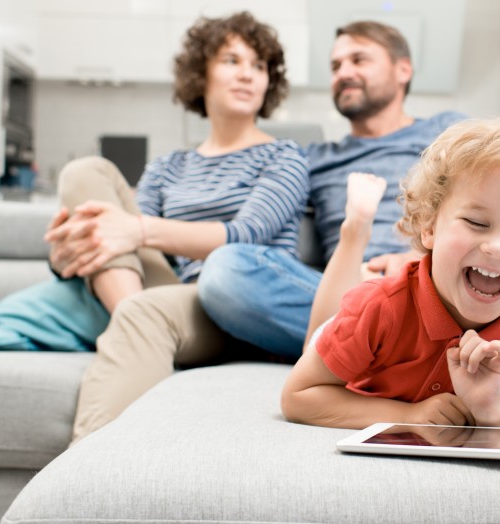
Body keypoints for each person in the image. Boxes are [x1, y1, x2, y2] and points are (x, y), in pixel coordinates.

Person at [30, 11, 310, 441]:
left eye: (259, 66)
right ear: (201, 73)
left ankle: (87, 471)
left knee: (148, 306)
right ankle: (133, 319)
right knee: (86, 171)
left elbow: (242, 236)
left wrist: (137, 231)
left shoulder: (285, 157)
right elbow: (122, 239)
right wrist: (68, 249)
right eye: (231, 61)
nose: (248, 75)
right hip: (167, 290)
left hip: (233, 303)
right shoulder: (168, 166)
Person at [281, 118, 500, 429]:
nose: (499, 249)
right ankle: (356, 229)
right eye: (477, 223)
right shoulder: (379, 306)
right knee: (319, 335)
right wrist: (409, 417)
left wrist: (490, 411)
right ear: (429, 226)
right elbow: (298, 396)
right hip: (363, 308)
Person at [197, 20, 465, 357]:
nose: (343, 72)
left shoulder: (446, 130)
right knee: (226, 272)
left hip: (428, 284)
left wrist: (418, 257)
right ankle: (387, 350)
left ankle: (362, 347)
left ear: (403, 70)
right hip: (347, 292)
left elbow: (485, 204)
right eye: (336, 66)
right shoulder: (312, 159)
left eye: (359, 60)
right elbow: (246, 203)